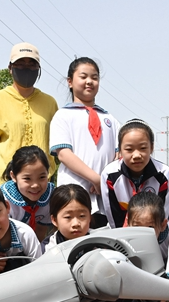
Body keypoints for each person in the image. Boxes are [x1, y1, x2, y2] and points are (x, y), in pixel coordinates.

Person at [50, 57, 119, 226]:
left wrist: (104, 180)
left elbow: (119, 154)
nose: (89, 81)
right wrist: (96, 179)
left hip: (104, 197)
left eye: (94, 77)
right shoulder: (63, 115)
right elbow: (64, 154)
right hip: (74, 194)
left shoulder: (110, 119)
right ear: (70, 82)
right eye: (83, 76)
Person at [0, 42, 58, 182]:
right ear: (10, 68)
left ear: (38, 68)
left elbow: (54, 142)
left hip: (42, 183)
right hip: (6, 181)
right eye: (20, 64)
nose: (26, 68)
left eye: (32, 64)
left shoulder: (50, 102)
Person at [120, 190, 169, 302]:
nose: (142, 233)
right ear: (128, 222)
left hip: (160, 294)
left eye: (149, 227)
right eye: (137, 226)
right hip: (130, 299)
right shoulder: (120, 240)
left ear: (162, 225)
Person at [100, 119, 169, 228]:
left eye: (143, 148)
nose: (136, 155)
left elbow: (163, 216)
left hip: (156, 235)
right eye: (129, 149)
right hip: (122, 235)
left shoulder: (164, 174)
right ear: (120, 150)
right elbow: (113, 220)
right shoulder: (109, 175)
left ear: (152, 147)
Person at [0, 145, 54, 242]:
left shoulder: (50, 197)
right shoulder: (3, 200)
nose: (35, 185)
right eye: (27, 179)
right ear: (13, 176)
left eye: (42, 177)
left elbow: (41, 230)